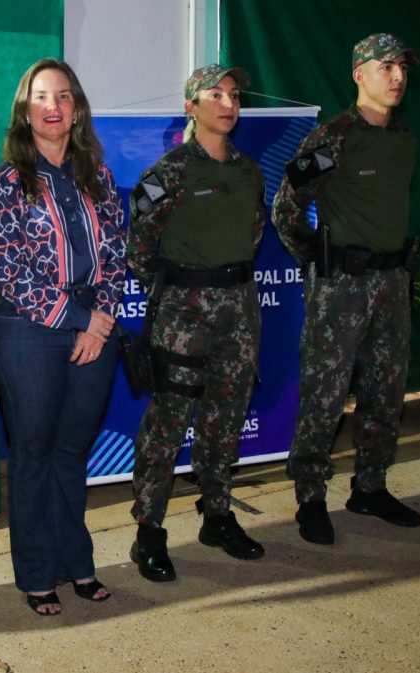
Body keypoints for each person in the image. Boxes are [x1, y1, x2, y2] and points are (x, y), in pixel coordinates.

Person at [0, 58, 126, 616]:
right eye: (41, 96)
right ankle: (38, 575)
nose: (53, 106)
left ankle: (78, 564)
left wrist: (102, 319)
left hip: (97, 331)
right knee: (34, 456)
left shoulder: (101, 176)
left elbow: (117, 255)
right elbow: (11, 273)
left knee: (71, 454)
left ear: (77, 109)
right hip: (29, 334)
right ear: (26, 109)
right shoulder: (5, 180)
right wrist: (81, 319)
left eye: (64, 96)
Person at [272, 33, 420, 545]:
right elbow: (285, 208)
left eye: (402, 67)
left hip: (392, 284)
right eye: (387, 67)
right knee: (325, 393)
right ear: (359, 73)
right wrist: (318, 261)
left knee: (386, 391)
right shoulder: (332, 136)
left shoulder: (404, 139)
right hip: (341, 288)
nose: (398, 76)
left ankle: (371, 486)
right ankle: (310, 496)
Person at [126, 64, 267, 582]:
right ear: (191, 106)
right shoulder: (167, 173)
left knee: (225, 418)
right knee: (167, 426)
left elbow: (254, 232)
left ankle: (217, 515)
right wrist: (179, 292)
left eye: (234, 95)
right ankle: (149, 532)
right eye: (215, 94)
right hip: (183, 314)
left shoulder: (250, 172)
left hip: (239, 309)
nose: (227, 103)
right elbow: (139, 247)